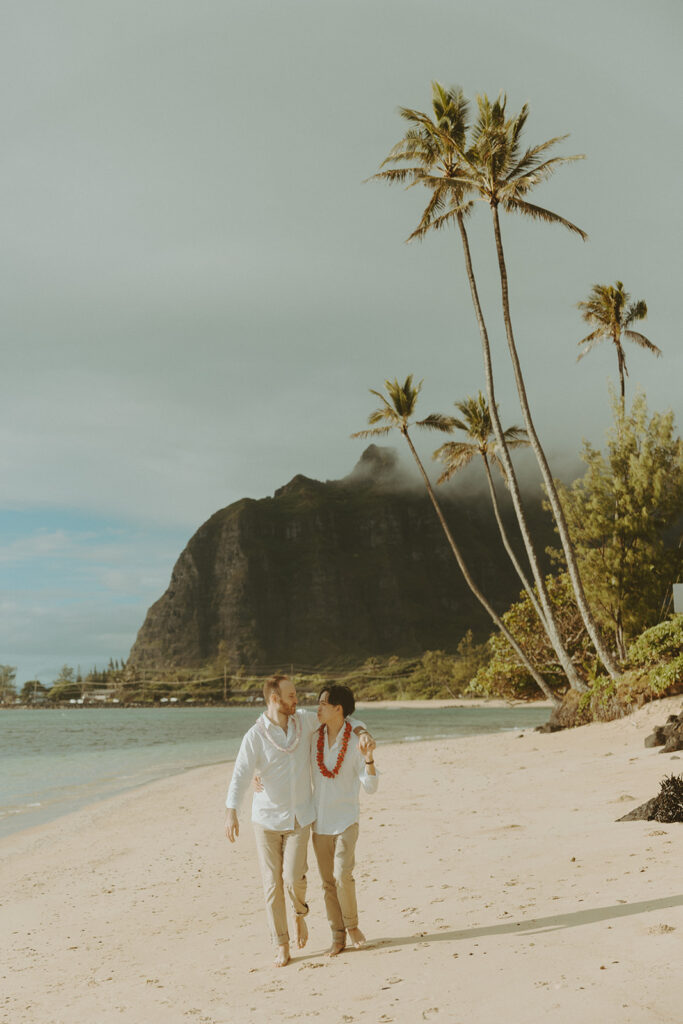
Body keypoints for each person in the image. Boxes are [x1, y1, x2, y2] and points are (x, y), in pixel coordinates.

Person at [224, 674, 374, 968]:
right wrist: (231, 810)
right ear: (274, 699)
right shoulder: (254, 736)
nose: (298, 700)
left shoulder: (304, 722)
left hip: (300, 818)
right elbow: (241, 773)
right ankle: (281, 943)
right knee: (271, 884)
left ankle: (300, 915)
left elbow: (343, 719)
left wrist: (364, 731)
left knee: (293, 879)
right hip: (266, 819)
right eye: (291, 696)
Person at [311, 684, 378, 956]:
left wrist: (369, 758)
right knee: (327, 882)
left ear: (338, 709)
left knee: (342, 875)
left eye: (323, 704)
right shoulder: (312, 737)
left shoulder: (356, 741)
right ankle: (336, 936)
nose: (318, 709)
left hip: (347, 820)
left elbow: (371, 787)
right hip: (319, 822)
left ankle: (352, 926)